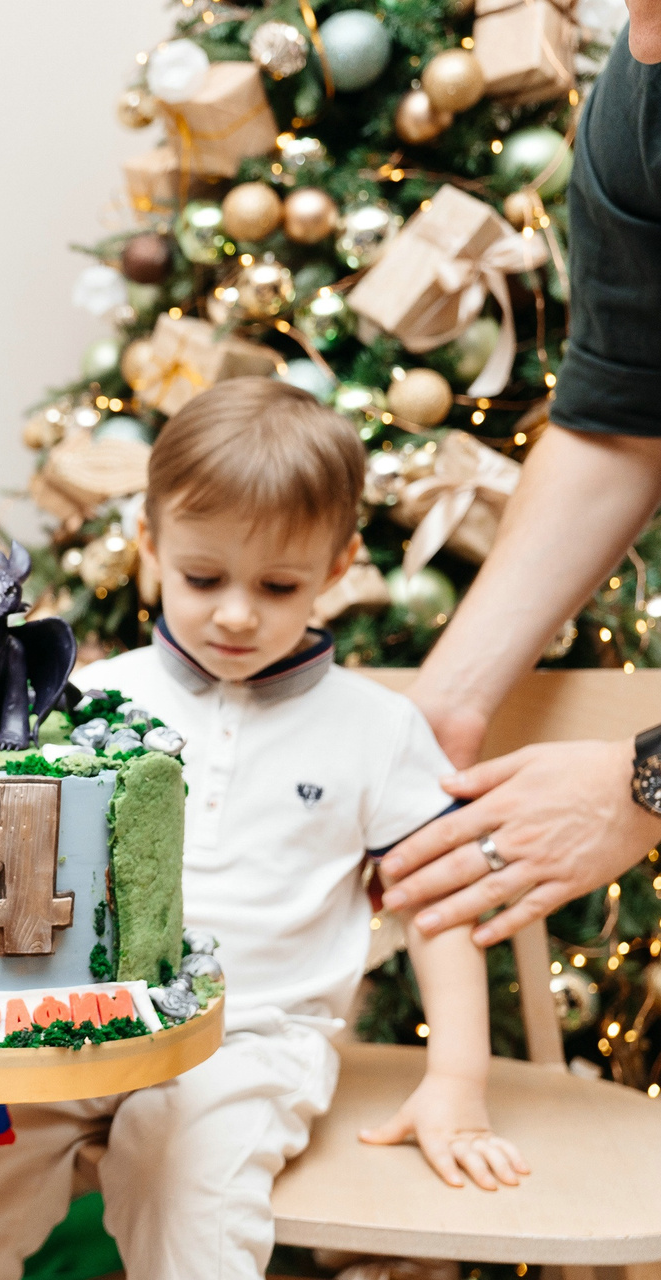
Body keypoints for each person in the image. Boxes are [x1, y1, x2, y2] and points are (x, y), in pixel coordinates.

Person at [0, 379, 526, 1280]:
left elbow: (438, 905)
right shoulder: (93, 700)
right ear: (150, 545)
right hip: (82, 1017)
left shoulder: (380, 731)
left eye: (278, 585)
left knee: (183, 1171)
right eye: (202, 578)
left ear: (338, 568)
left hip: (252, 1039)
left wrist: (457, 1082)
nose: (235, 612)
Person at [377, 15, 661, 945]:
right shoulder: (641, 95)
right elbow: (622, 419)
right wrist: (449, 699)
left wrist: (643, 782)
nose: (643, 38)